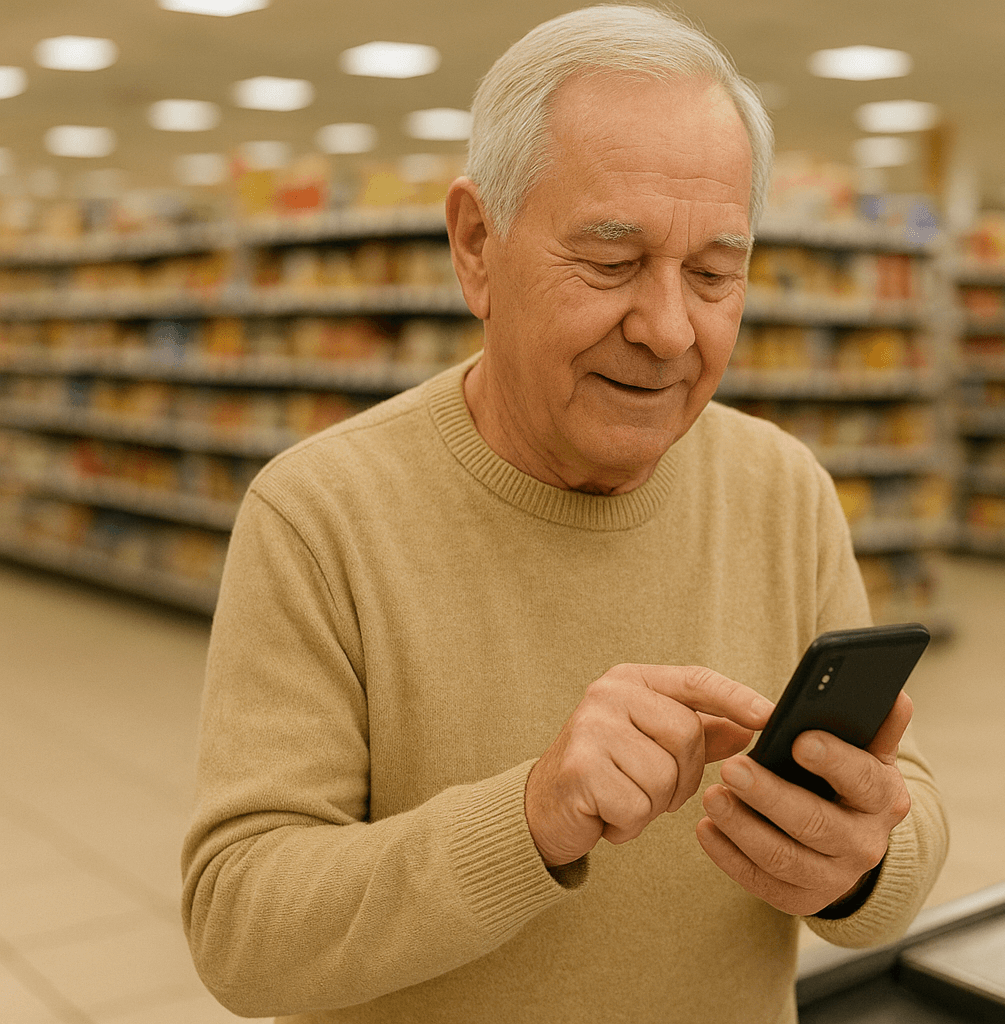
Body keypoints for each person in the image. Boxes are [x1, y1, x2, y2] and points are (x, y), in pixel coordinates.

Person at [179, 8, 947, 1023]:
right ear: (477, 246)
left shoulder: (784, 488)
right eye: (612, 262)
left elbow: (910, 803)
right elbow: (241, 928)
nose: (669, 330)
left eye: (715, 273)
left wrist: (863, 860)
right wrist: (531, 818)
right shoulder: (321, 514)